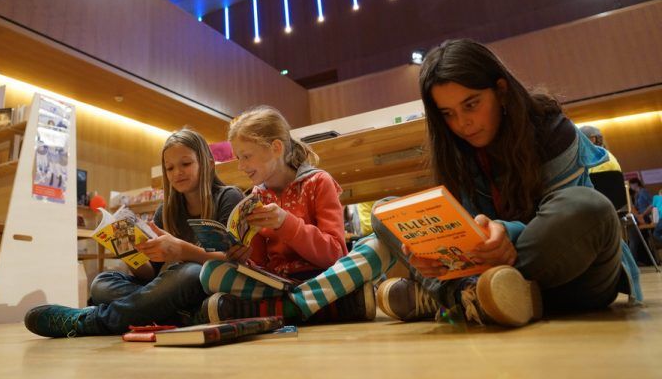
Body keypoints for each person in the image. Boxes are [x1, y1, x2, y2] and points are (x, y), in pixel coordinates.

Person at [374, 39, 642, 327]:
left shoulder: (552, 130)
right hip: (492, 271)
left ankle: (460, 298)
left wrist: (506, 233)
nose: (463, 123)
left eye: (471, 104)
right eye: (447, 114)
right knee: (385, 213)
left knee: (588, 207)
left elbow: (561, 226)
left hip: (574, 277)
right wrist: (431, 256)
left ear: (501, 91)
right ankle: (476, 296)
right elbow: (465, 232)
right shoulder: (453, 151)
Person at [24, 128, 244, 337]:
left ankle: (91, 321)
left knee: (190, 273)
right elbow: (151, 276)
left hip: (204, 285)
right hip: (171, 292)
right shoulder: (165, 211)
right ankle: (179, 316)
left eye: (185, 164)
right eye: (169, 168)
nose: (177, 173)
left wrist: (181, 251)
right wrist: (130, 254)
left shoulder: (228, 197)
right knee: (102, 283)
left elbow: (231, 262)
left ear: (208, 163)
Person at [197, 105, 395, 324]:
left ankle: (287, 309)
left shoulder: (319, 182)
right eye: (238, 158)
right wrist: (244, 256)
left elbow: (335, 254)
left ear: (276, 148)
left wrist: (286, 223)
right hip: (282, 283)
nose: (241, 166)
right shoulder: (257, 196)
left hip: (326, 274)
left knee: (380, 245)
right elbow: (262, 264)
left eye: (246, 156)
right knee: (210, 272)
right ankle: (327, 304)